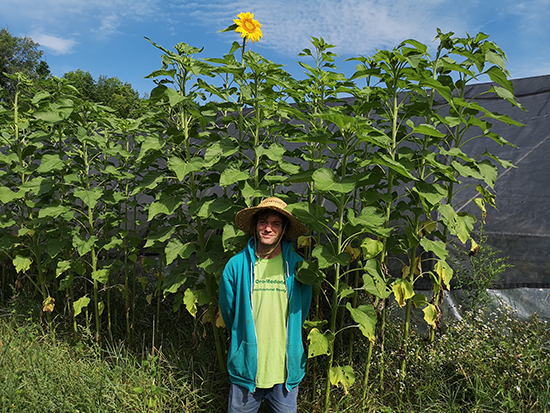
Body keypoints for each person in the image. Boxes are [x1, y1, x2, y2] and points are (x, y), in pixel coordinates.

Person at [219, 197, 312, 413]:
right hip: (246, 368)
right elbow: (229, 310)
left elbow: (301, 310)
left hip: (285, 370)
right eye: (263, 222)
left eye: (275, 223)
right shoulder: (236, 266)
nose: (268, 228)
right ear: (255, 226)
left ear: (284, 229)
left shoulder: (298, 268)